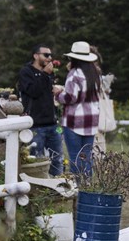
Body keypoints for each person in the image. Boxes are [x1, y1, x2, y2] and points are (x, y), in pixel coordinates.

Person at [55, 41, 101, 178]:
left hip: (74, 121)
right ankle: (88, 189)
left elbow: (70, 98)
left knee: (75, 158)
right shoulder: (95, 74)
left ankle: (79, 190)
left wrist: (57, 94)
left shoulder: (74, 74)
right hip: (91, 120)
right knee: (86, 157)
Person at [17, 43, 63, 176]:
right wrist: (44, 74)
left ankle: (58, 189)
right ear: (36, 56)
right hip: (35, 125)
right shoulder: (26, 72)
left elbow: (44, 92)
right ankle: (38, 190)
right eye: (46, 55)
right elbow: (34, 92)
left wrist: (53, 88)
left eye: (51, 55)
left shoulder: (48, 73)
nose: (49, 58)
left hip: (53, 124)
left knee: (57, 160)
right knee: (36, 161)